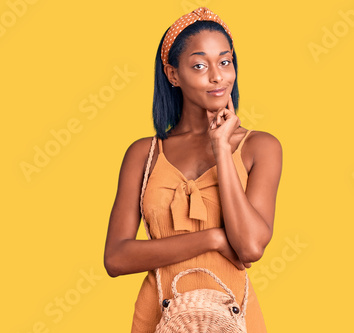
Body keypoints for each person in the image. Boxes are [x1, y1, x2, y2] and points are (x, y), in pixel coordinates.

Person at [103, 7, 282, 332]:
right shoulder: (143, 153)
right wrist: (212, 238)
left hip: (233, 316)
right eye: (200, 65)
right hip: (158, 317)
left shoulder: (261, 147)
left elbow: (250, 247)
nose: (217, 76)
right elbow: (116, 258)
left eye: (225, 62)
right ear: (173, 75)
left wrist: (221, 149)